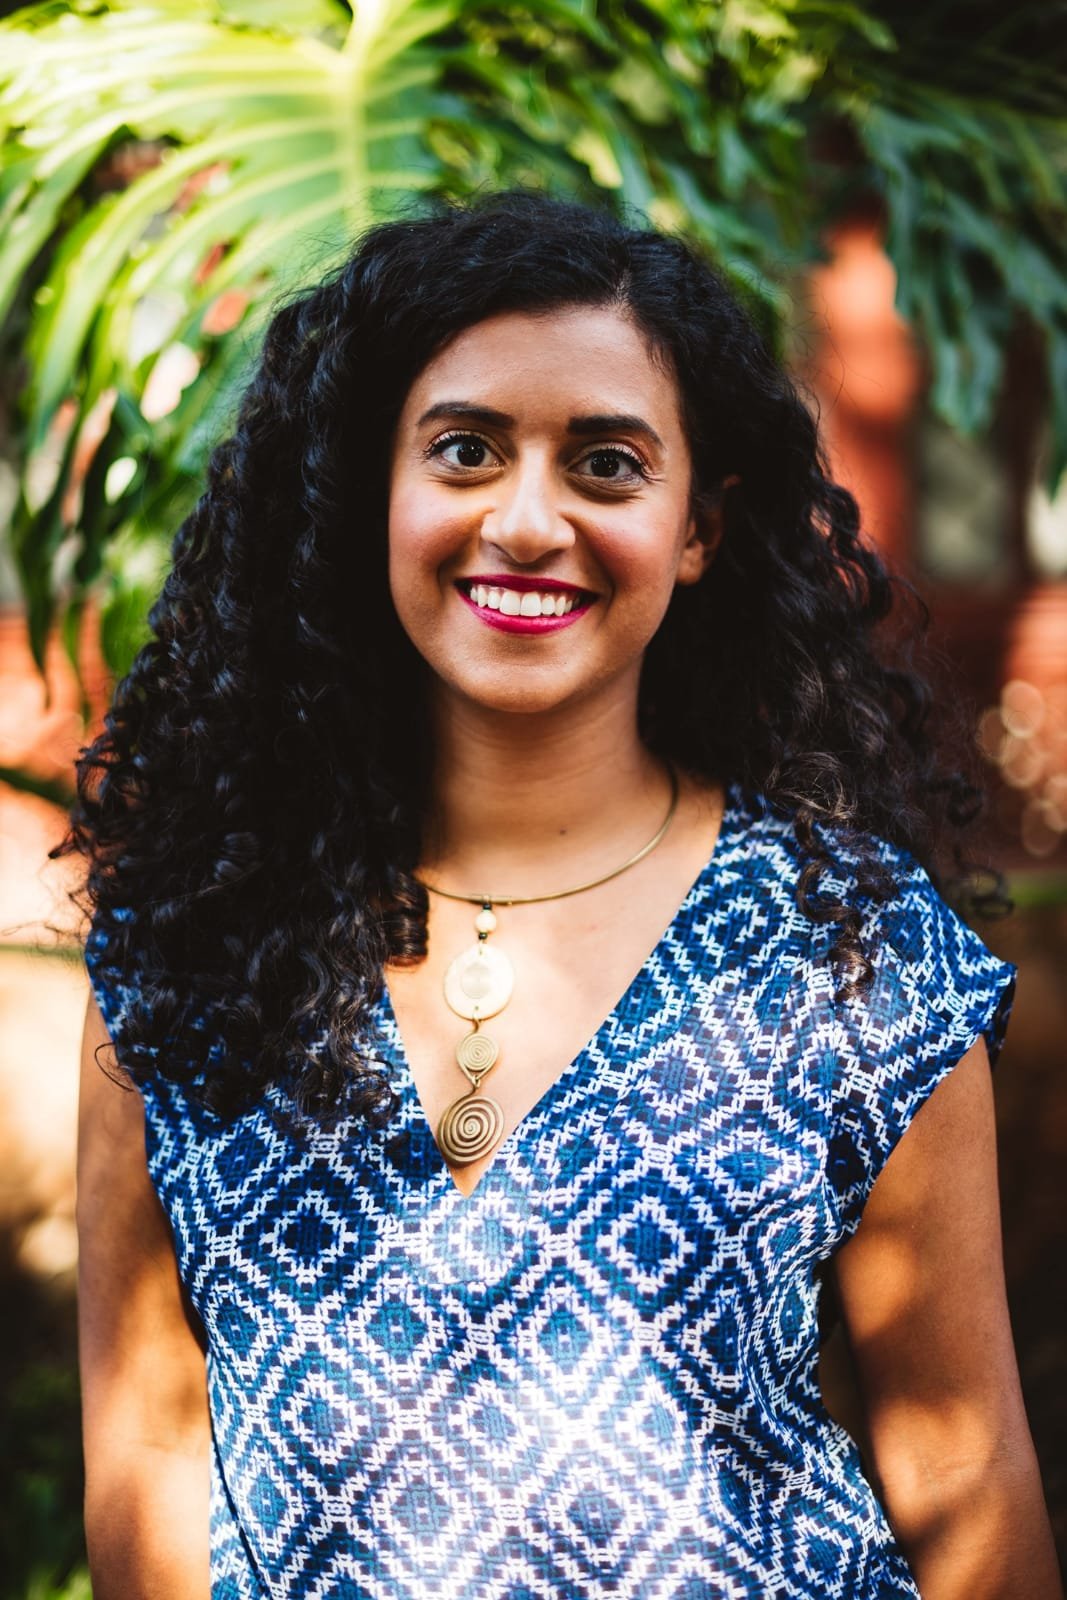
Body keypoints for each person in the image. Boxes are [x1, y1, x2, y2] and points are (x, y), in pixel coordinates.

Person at [62, 188, 1062, 1599]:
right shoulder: (183, 951)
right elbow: (150, 1459)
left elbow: (965, 1472)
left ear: (698, 527)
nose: (527, 522)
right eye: (464, 450)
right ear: (372, 496)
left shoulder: (854, 947)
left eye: (606, 464)